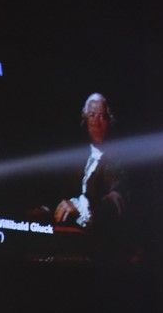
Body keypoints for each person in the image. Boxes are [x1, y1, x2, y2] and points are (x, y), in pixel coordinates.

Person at [53, 93, 124, 229]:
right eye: (92, 115)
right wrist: (47, 209)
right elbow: (62, 190)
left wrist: (81, 208)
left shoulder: (119, 157)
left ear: (109, 121)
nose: (97, 122)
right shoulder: (78, 155)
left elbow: (117, 200)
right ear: (85, 120)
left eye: (102, 116)